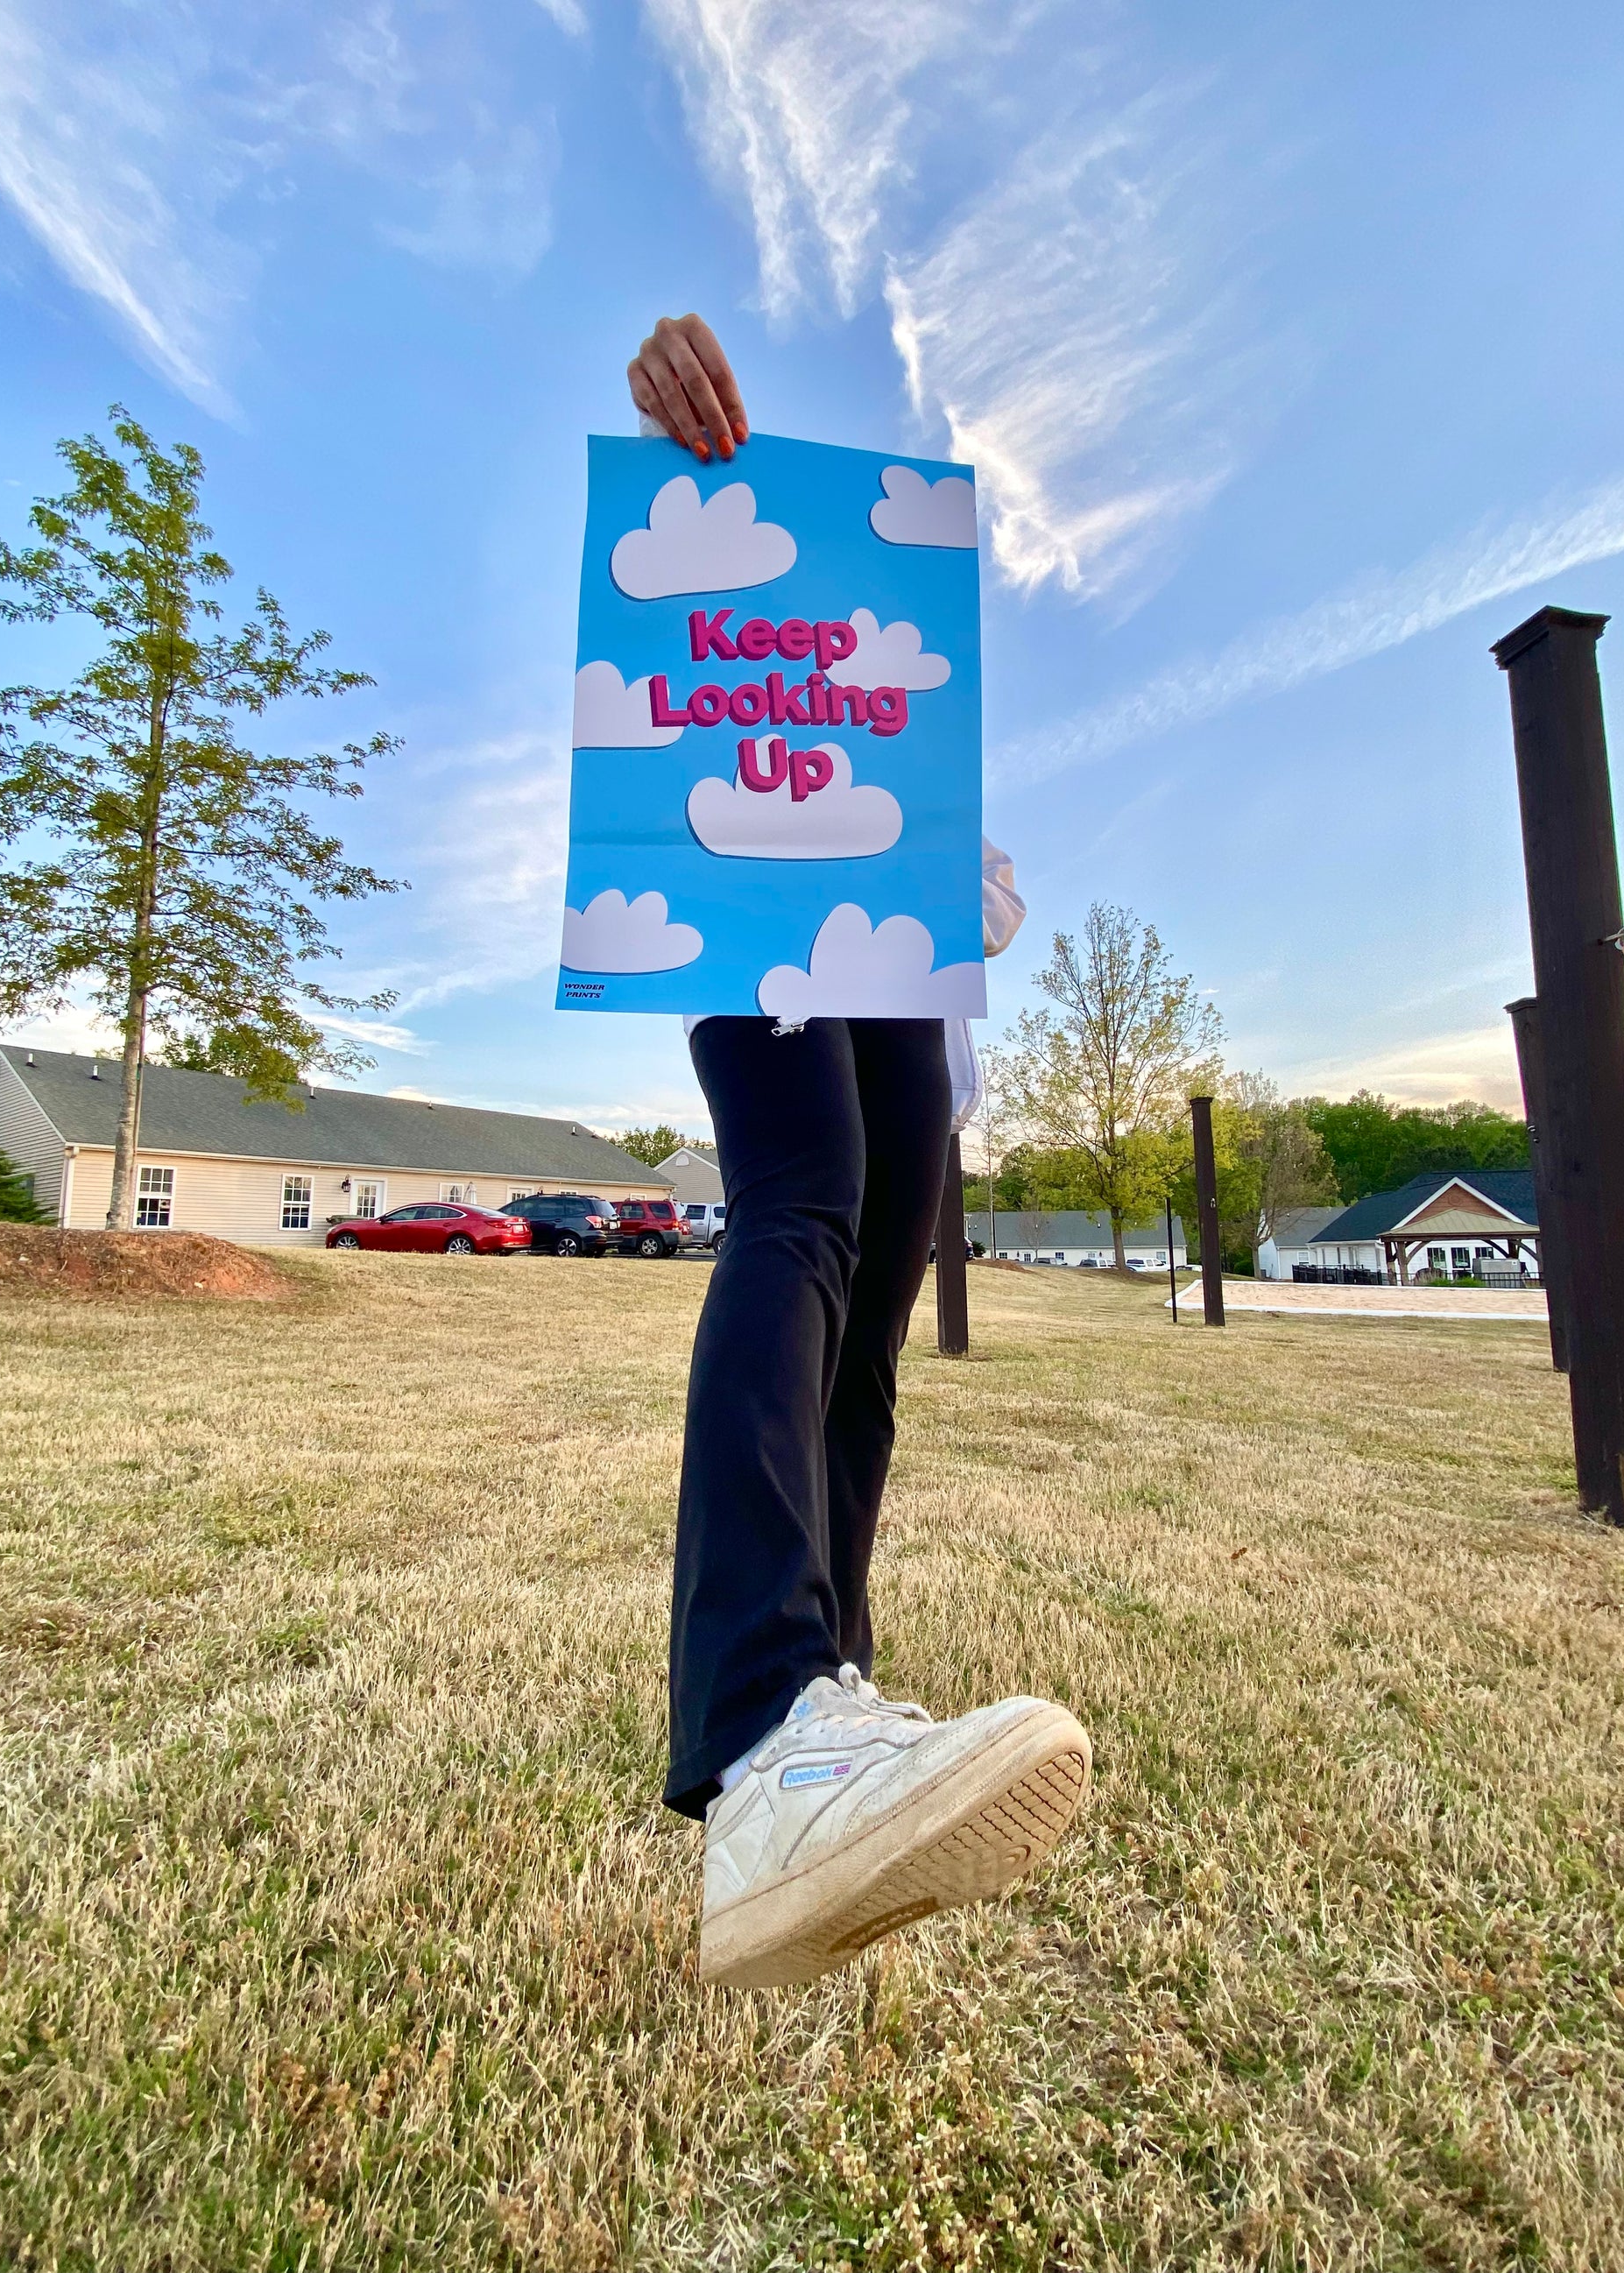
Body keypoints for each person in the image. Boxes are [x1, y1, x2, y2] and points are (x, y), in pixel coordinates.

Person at [626, 314, 1092, 1990]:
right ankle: (762, 1728)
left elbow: (987, 879)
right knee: (798, 1206)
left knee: (867, 1352)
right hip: (749, 889)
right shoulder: (743, 588)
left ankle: (831, 1706)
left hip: (907, 975)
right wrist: (665, 418)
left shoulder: (913, 703)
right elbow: (677, 613)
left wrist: (950, 852)